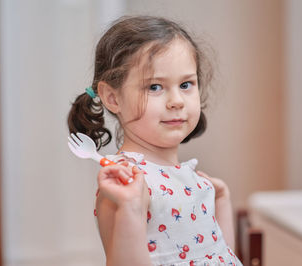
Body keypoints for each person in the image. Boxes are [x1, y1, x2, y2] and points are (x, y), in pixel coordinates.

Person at [67, 15, 243, 266]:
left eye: (185, 84)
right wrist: (130, 208)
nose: (177, 101)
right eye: (155, 87)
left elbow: (222, 256)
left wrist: (221, 200)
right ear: (112, 98)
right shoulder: (124, 183)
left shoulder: (191, 178)